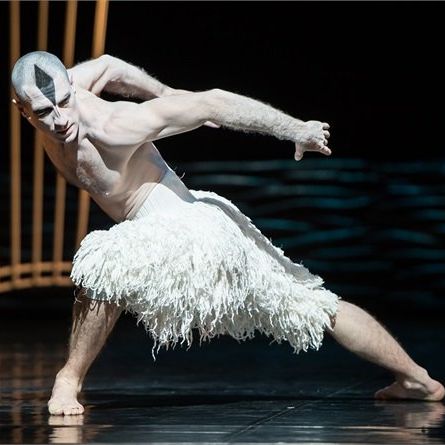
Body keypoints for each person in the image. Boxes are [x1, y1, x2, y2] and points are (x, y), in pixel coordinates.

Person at [11, 51, 444, 415]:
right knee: (313, 304)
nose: (60, 119)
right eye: (45, 112)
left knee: (105, 263)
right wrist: (162, 90)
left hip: (184, 229)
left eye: (65, 103)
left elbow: (213, 102)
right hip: (204, 219)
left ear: (71, 87)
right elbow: (109, 65)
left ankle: (68, 380)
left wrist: (296, 129)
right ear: (22, 110)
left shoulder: (113, 125)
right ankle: (418, 381)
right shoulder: (64, 86)